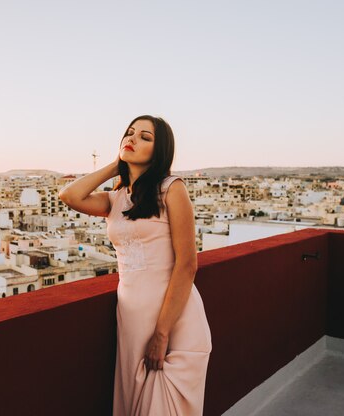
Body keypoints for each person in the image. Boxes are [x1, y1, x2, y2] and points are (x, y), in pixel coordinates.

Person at [59, 115, 212, 415]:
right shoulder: (115, 198)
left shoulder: (172, 189)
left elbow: (187, 265)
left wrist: (162, 333)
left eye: (145, 137)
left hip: (172, 320)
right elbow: (69, 195)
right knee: (134, 404)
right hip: (130, 318)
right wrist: (117, 165)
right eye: (129, 133)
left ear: (160, 151)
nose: (133, 139)